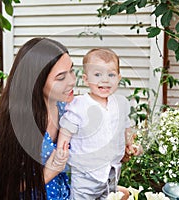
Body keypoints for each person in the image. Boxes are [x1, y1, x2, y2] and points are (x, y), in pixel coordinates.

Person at [0, 38, 76, 200]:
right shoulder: (20, 125)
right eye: (61, 77)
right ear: (36, 82)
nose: (72, 81)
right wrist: (47, 174)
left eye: (71, 70)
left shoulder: (67, 110)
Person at [57, 48, 141, 199]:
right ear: (86, 79)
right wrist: (62, 147)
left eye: (111, 75)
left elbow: (125, 126)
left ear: (118, 78)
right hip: (85, 176)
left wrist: (129, 143)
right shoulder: (79, 104)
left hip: (111, 172)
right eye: (97, 75)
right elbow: (67, 128)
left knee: (110, 197)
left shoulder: (120, 104)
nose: (105, 80)